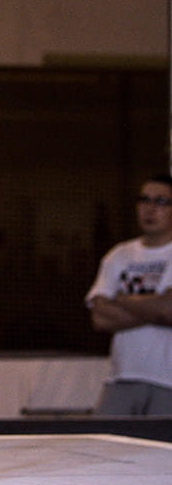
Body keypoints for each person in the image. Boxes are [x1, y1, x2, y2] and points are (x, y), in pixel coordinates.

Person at [85, 175, 172, 416]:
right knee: (101, 437)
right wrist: (155, 306)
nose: (150, 208)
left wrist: (121, 300)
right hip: (121, 378)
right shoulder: (119, 255)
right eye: (144, 200)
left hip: (168, 382)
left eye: (161, 201)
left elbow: (169, 311)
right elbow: (100, 318)